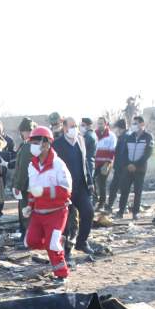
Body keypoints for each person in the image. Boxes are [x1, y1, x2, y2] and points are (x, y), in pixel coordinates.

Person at [22, 126, 72, 280]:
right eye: (32, 141)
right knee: (30, 242)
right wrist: (29, 206)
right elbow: (32, 190)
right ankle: (56, 240)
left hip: (57, 212)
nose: (33, 145)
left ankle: (61, 275)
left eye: (36, 141)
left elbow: (66, 191)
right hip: (38, 212)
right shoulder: (32, 165)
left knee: (52, 246)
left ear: (46, 143)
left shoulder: (58, 165)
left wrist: (43, 191)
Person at [52, 117, 94, 258]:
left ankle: (82, 242)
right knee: (67, 221)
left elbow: (85, 162)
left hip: (81, 186)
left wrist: (90, 181)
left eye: (76, 125)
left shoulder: (81, 140)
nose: (75, 128)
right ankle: (65, 249)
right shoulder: (57, 145)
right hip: (65, 188)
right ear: (64, 128)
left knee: (88, 212)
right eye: (72, 126)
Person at [116, 115, 154, 218]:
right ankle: (120, 212)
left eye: (135, 123)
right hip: (128, 168)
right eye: (133, 124)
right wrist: (128, 164)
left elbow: (147, 154)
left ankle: (135, 212)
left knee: (138, 191)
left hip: (140, 169)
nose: (133, 126)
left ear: (142, 124)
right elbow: (124, 153)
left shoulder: (148, 137)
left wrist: (136, 165)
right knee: (124, 190)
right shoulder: (129, 137)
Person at [12, 118, 37, 238]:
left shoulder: (27, 146)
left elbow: (23, 169)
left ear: (24, 131)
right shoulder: (37, 144)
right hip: (34, 186)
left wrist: (17, 185)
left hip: (26, 186)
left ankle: (28, 238)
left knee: (26, 212)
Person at [0, 118, 15, 217]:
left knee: (1, 191)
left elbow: (13, 155)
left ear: (2, 127)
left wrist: (8, 161)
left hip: (4, 169)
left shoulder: (9, 140)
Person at [92, 118, 116, 210]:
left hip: (105, 163)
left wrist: (107, 164)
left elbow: (112, 151)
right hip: (95, 163)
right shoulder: (95, 134)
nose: (100, 125)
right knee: (92, 181)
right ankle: (94, 199)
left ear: (106, 124)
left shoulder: (111, 136)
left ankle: (101, 203)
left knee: (102, 183)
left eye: (101, 123)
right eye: (98, 123)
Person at [106, 120, 129, 215]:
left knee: (122, 189)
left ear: (120, 128)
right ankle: (111, 206)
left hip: (122, 168)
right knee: (114, 187)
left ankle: (122, 209)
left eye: (117, 128)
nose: (116, 130)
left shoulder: (125, 137)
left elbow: (122, 154)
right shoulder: (122, 137)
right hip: (119, 167)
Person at [80, 118, 97, 184]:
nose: (81, 127)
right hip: (90, 162)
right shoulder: (92, 134)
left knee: (87, 185)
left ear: (89, 126)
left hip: (88, 163)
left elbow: (81, 147)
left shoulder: (88, 136)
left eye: (83, 125)